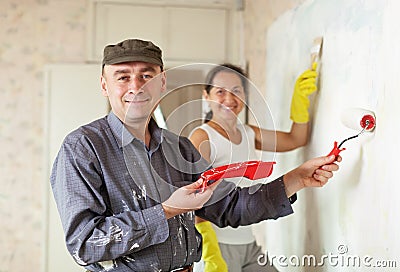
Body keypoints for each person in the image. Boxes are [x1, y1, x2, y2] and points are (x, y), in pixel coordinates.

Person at [50, 38, 340, 272]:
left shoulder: (179, 149)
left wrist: (295, 179)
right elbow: (85, 243)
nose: (136, 87)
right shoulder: (82, 148)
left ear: (161, 84)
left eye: (146, 76)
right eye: (122, 77)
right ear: (104, 85)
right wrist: (166, 211)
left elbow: (229, 205)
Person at [189, 63, 318, 272]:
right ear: (206, 96)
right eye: (220, 92)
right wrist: (209, 249)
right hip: (218, 245)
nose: (229, 99)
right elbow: (193, 194)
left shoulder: (249, 133)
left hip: (248, 243)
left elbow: (297, 139)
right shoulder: (202, 137)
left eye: (236, 91)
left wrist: (300, 104)